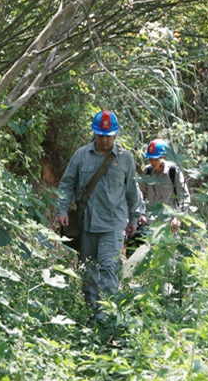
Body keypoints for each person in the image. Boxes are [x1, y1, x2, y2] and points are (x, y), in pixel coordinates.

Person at [57, 109, 146, 320]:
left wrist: (134, 218)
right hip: (86, 223)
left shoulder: (125, 159)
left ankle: (109, 320)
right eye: (100, 135)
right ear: (94, 133)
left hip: (113, 225)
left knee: (108, 269)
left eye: (108, 136)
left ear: (115, 135)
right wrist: (62, 210)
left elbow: (132, 191)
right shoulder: (81, 155)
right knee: (88, 273)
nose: (104, 140)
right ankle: (93, 317)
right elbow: (66, 184)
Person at [139, 138, 191, 232]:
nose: (152, 162)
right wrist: (141, 213)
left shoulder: (174, 172)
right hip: (150, 226)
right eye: (150, 159)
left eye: (155, 159)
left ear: (164, 157)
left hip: (170, 226)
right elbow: (141, 195)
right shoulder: (147, 172)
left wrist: (178, 218)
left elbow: (184, 198)